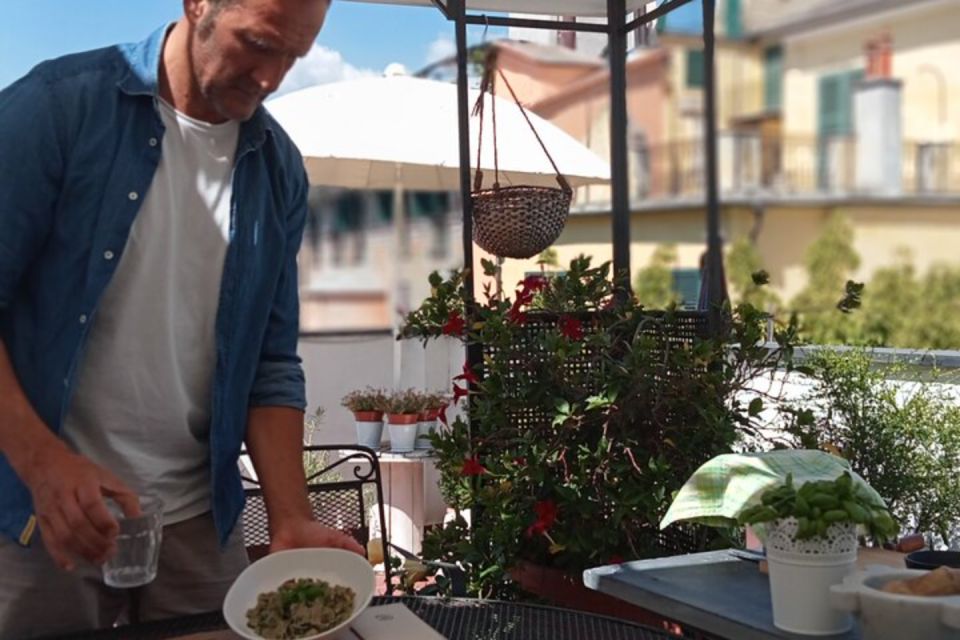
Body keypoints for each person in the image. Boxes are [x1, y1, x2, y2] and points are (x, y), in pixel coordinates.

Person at [0, 0, 364, 636]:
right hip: (39, 514)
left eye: (294, 55)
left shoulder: (279, 168)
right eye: (257, 43)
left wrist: (290, 517)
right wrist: (44, 465)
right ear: (198, 4)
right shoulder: (55, 110)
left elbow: (271, 362)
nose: (272, 76)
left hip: (199, 523)